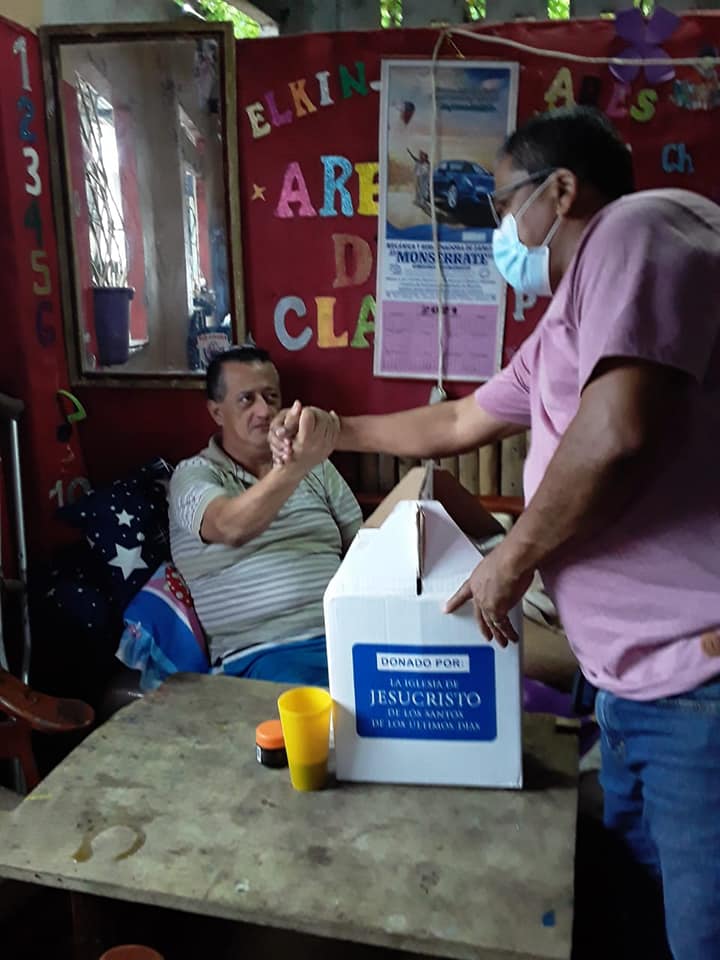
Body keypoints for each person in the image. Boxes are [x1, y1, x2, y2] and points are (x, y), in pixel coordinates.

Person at [272, 107, 720, 960]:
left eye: (503, 206)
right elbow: (457, 420)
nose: (497, 233)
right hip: (633, 687)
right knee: (636, 912)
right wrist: (338, 431)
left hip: (697, 684)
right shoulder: (569, 318)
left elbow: (617, 429)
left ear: (561, 191)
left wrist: (512, 559)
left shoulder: (636, 228)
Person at [168, 346, 360, 686]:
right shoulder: (193, 475)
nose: (265, 410)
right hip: (263, 652)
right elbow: (230, 526)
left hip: (348, 635)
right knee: (325, 711)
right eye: (247, 399)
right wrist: (294, 466)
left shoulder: (316, 467)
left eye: (271, 397)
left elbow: (363, 547)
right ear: (216, 412)